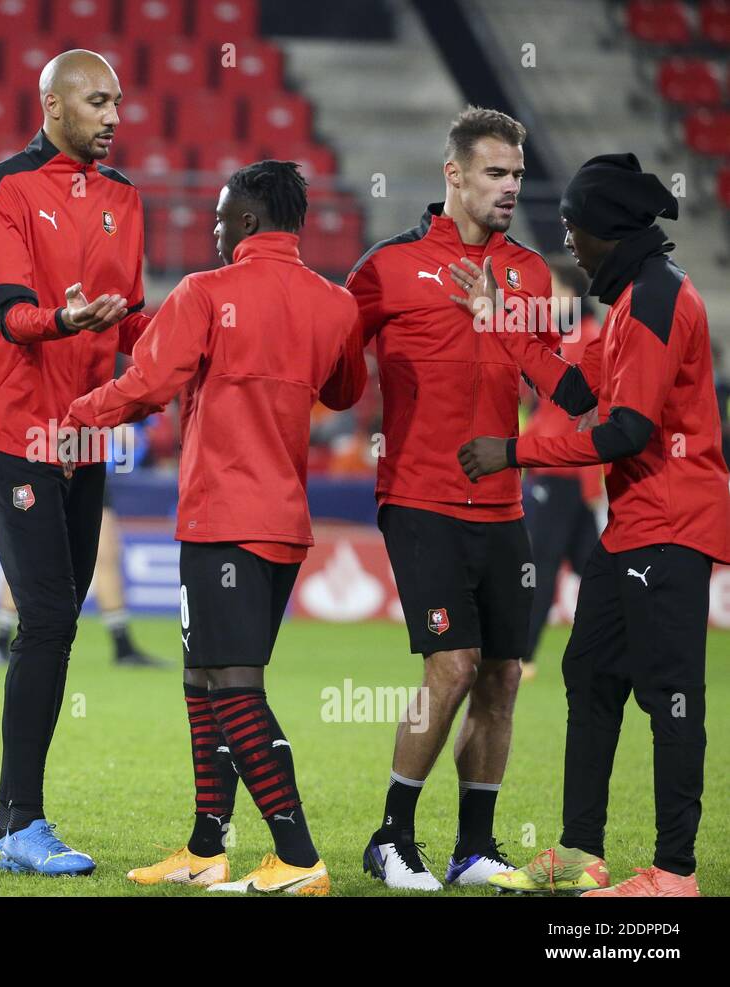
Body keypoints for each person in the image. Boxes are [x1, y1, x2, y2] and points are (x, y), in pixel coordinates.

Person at [67, 160, 365, 894]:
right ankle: (207, 845)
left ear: (252, 221)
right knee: (205, 681)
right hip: (286, 521)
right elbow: (347, 387)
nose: (215, 228)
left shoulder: (207, 291)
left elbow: (148, 383)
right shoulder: (335, 304)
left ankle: (297, 855)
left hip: (221, 515)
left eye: (224, 216)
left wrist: (75, 417)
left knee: (232, 687)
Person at [457, 153, 730, 897]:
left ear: (607, 229)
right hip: (637, 524)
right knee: (590, 671)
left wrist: (512, 451)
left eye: (575, 228)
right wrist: (504, 324)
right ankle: (581, 851)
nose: (569, 242)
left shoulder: (654, 302)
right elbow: (579, 390)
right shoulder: (636, 298)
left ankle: (675, 872)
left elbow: (623, 431)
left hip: (671, 523)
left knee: (672, 694)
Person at [346, 106, 552, 890]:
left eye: (518, 175)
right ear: (454, 173)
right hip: (420, 498)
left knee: (500, 674)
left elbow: (557, 381)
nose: (508, 187)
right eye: (495, 173)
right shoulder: (388, 266)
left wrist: (504, 323)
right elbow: (334, 353)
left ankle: (475, 846)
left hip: (504, 504)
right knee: (454, 664)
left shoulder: (530, 272)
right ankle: (391, 836)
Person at [0, 49, 150, 875]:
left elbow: (136, 322)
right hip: (14, 429)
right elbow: (9, 317)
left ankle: (14, 823)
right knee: (45, 616)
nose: (113, 116)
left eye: (117, 102)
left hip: (85, 434)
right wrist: (66, 320)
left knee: (58, 622)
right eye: (97, 101)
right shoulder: (1, 188)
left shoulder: (126, 200)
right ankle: (18, 823)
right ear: (51, 104)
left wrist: (172, 371)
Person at [520, 258, 603, 678]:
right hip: (569, 470)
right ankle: (621, 645)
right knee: (592, 564)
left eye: (550, 291)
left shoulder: (580, 340)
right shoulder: (579, 336)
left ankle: (524, 654)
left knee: (543, 563)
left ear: (570, 295)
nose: (544, 299)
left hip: (559, 468)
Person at [0, 502, 169, 667]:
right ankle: (0, 640)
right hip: (41, 465)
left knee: (105, 549)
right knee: (27, 549)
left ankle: (122, 644)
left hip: (84, 464)